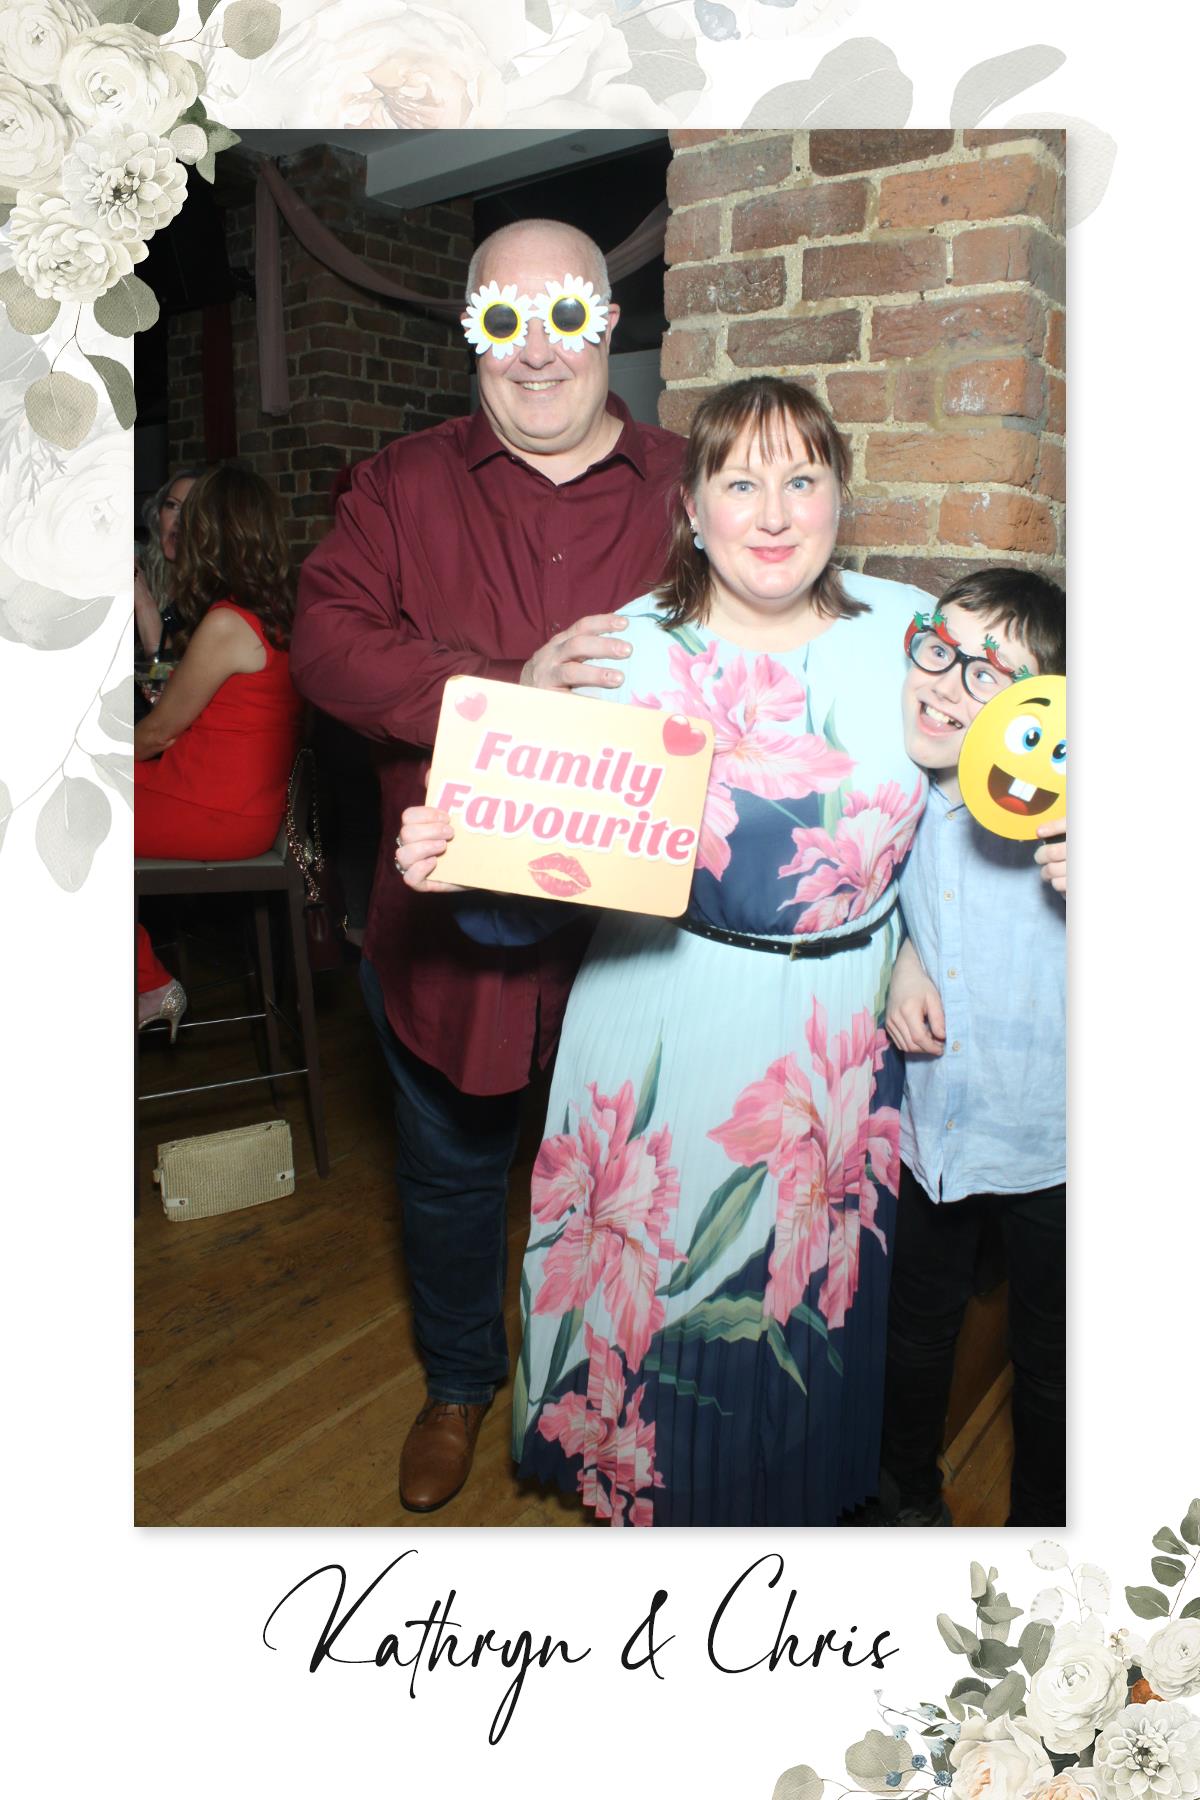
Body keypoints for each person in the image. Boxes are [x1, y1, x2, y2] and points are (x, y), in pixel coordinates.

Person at [398, 375, 938, 1526]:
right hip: (662, 1016)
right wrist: (463, 859)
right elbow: (536, 896)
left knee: (795, 1307)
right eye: (742, 482)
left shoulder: (914, 636)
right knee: (664, 1303)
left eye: (804, 478)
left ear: (844, 493)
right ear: (693, 508)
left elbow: (958, 830)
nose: (777, 512)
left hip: (836, 1043)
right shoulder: (620, 653)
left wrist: (914, 947)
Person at [289, 219, 685, 1513]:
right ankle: (459, 1383)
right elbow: (331, 647)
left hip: (636, 943)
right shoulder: (399, 486)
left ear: (608, 324)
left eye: (562, 316)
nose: (534, 354)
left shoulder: (691, 487)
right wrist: (499, 687)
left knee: (628, 1182)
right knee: (452, 1175)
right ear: (471, 333)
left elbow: (776, 641)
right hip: (448, 937)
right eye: (501, 322)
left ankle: (616, 1398)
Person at [876, 568, 1066, 1526]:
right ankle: (904, 1495)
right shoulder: (897, 793)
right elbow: (888, 912)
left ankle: (1048, 1537)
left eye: (990, 675)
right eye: (940, 648)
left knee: (1055, 1364)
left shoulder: (1067, 822)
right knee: (913, 1337)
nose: (949, 681)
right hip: (935, 1132)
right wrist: (903, 962)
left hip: (1056, 1148)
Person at [135, 465, 304, 1033]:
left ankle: (147, 984)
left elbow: (158, 732)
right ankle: (140, 979)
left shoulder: (228, 623)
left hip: (217, 810)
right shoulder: (277, 615)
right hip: (239, 806)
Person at [134, 467, 205, 660]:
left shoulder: (214, 596)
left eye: (192, 509)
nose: (178, 519)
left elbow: (166, 679)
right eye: (172, 505)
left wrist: (143, 601)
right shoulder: (149, 572)